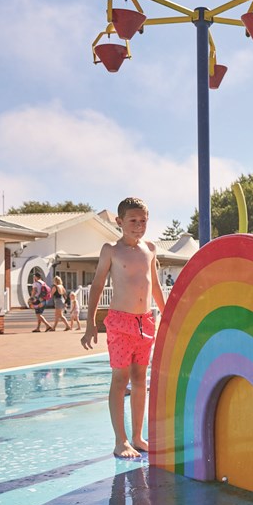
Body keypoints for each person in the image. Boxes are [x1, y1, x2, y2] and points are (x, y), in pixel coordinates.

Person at [82, 197, 167, 459]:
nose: (139, 225)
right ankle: (121, 441)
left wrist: (168, 316)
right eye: (133, 220)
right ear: (119, 222)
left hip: (145, 322)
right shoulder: (111, 250)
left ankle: (138, 437)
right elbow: (97, 286)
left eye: (143, 221)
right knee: (121, 380)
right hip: (120, 323)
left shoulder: (150, 248)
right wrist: (90, 324)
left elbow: (155, 285)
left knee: (141, 379)